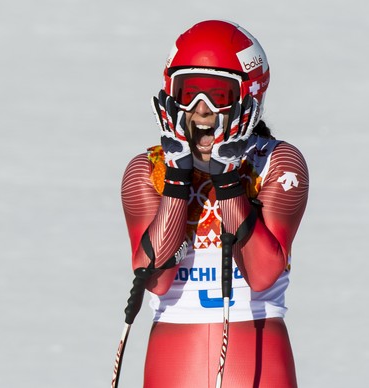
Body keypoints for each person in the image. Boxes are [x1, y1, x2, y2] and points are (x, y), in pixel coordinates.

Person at [120, 20, 309, 387]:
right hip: (174, 354)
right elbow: (155, 280)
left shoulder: (277, 161)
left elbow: (262, 273)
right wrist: (176, 181)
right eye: (188, 92)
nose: (201, 110)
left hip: (255, 347)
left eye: (218, 95)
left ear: (249, 96)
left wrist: (227, 182)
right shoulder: (148, 168)